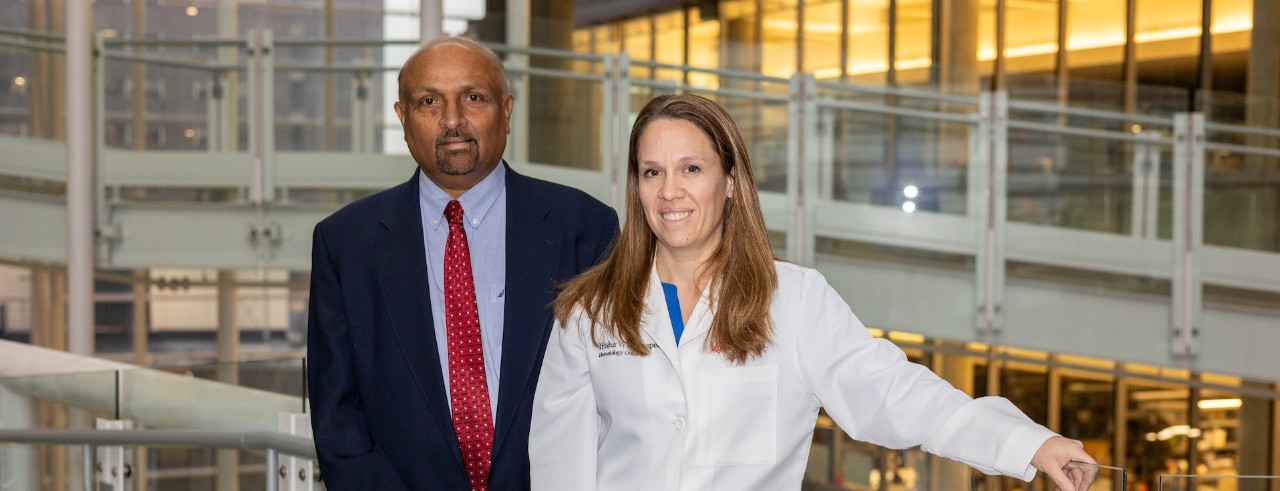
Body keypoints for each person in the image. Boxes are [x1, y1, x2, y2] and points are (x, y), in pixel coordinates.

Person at [529, 94, 1097, 491]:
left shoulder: (794, 300)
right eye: (652, 172)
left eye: (691, 169)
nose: (670, 191)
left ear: (729, 182)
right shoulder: (589, 312)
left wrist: (1027, 443)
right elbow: (560, 466)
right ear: (636, 187)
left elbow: (893, 393)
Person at [307, 36, 619, 490]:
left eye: (473, 98)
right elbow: (338, 420)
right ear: (402, 117)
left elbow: (615, 395)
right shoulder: (344, 243)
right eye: (429, 101)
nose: (452, 120)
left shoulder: (586, 228)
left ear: (507, 110)